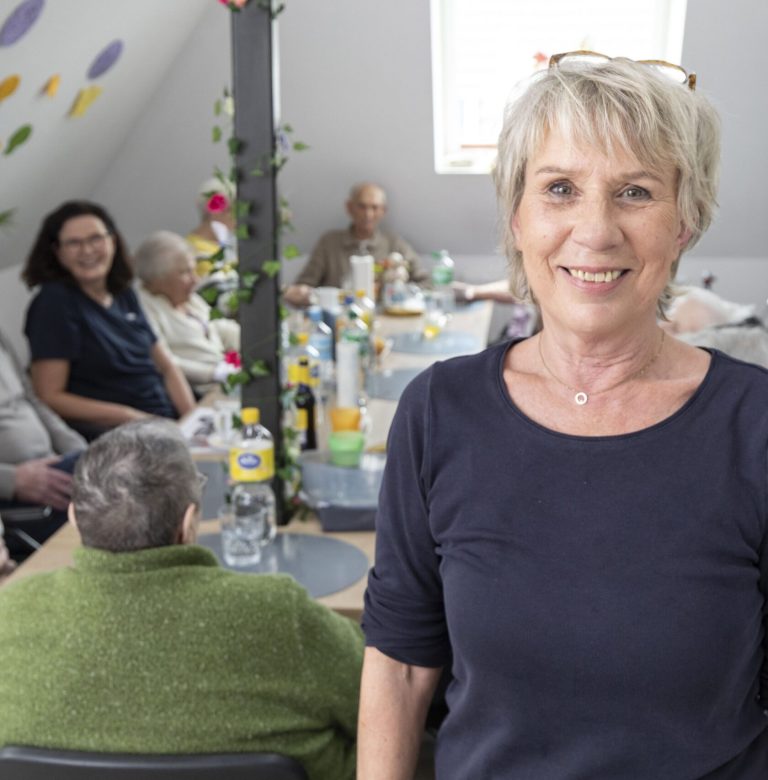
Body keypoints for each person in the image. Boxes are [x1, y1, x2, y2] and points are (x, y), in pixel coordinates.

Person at [359, 54, 768, 778]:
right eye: (560, 189)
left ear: (685, 223)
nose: (595, 230)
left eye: (635, 192)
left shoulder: (754, 425)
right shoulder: (438, 411)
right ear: (517, 217)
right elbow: (400, 663)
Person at [0, 419, 363, 780]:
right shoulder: (278, 612)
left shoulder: (10, 613)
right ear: (189, 524)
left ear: (75, 519)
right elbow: (382, 692)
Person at [22, 201, 195, 440]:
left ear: (112, 242)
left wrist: (193, 421)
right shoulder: (54, 303)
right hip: (123, 436)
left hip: (167, 421)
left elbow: (166, 366)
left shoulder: (123, 293)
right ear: (58, 253)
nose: (87, 250)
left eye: (96, 238)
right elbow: (50, 395)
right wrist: (131, 417)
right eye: (74, 243)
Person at [0, 327, 85, 551]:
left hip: (53, 466)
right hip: (18, 499)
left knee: (124, 458)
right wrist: (12, 481)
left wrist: (82, 450)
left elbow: (32, 401)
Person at [135, 230, 241, 396]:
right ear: (157, 278)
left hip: (227, 382)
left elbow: (218, 327)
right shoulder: (144, 310)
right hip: (201, 391)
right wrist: (213, 372)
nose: (195, 280)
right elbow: (163, 362)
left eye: (193, 270)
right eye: (184, 272)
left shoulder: (189, 299)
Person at [284, 182, 422, 306]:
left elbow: (425, 283)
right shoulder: (329, 242)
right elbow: (305, 284)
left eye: (375, 207)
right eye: (362, 207)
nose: (368, 214)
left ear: (383, 211)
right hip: (340, 318)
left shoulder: (394, 243)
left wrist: (400, 291)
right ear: (350, 208)